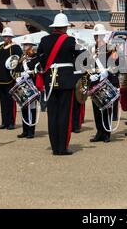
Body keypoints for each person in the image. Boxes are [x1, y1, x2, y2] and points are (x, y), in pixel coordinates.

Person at [36, 12, 81, 156]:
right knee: (64, 115)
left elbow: (40, 60)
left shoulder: (44, 40)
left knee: (52, 114)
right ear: (65, 27)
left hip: (50, 80)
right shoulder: (70, 40)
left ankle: (54, 146)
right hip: (66, 80)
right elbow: (80, 58)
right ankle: (62, 147)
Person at [89, 24, 118, 143]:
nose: (97, 38)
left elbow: (117, 65)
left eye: (99, 36)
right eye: (96, 36)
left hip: (107, 82)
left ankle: (106, 132)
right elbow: (87, 65)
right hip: (95, 83)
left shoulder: (111, 48)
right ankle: (99, 132)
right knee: (96, 108)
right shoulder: (91, 49)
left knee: (106, 108)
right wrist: (90, 75)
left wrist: (107, 71)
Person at [0, 27, 23, 130]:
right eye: (4, 36)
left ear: (11, 37)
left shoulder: (15, 47)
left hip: (11, 77)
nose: (5, 38)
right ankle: (4, 122)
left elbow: (19, 61)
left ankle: (11, 122)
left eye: (7, 36)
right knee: (3, 101)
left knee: (11, 101)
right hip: (1, 76)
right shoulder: (0, 47)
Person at [14, 35, 38, 139]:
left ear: (32, 46)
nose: (25, 47)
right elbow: (17, 70)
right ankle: (25, 130)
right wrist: (18, 77)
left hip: (31, 85)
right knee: (23, 106)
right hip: (22, 84)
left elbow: (38, 70)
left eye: (27, 45)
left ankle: (31, 131)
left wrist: (29, 73)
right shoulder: (22, 58)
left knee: (31, 107)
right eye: (24, 45)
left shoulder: (35, 57)